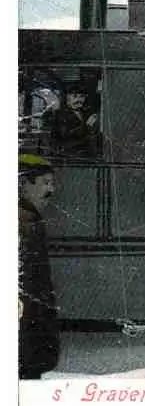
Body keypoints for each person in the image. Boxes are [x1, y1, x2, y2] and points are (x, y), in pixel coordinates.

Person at [19, 154, 60, 380]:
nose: (51, 190)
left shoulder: (30, 219)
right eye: (46, 183)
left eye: (52, 183)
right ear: (24, 184)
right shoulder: (25, 221)